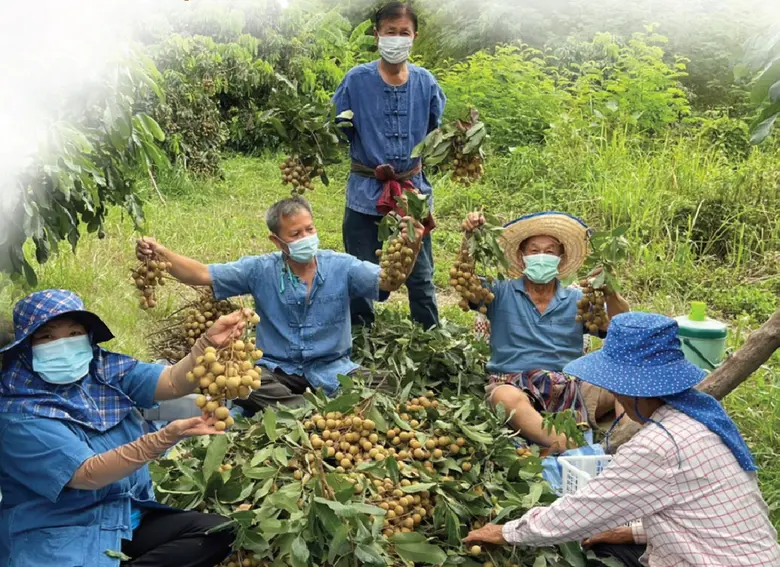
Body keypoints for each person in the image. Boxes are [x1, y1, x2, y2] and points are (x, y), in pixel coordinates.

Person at [463, 312, 780, 567]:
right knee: (603, 545)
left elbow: (579, 512)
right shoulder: (701, 419)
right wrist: (632, 532)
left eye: (615, 387)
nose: (614, 395)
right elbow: (703, 511)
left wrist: (505, 532)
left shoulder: (659, 445)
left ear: (634, 390)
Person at [0, 289, 243, 567]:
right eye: (46, 336)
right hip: (60, 534)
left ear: (88, 337)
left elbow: (173, 383)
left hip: (124, 517)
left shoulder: (103, 370)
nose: (63, 345)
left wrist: (206, 345)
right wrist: (161, 439)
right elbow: (88, 474)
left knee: (219, 532)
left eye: (74, 333)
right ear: (25, 347)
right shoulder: (17, 414)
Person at [136, 196, 425, 416]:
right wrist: (161, 254)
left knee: (389, 385)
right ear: (277, 241)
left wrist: (411, 247)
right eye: (295, 235)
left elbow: (388, 282)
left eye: (309, 230)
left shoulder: (342, 266)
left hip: (333, 369)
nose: (305, 239)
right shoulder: (261, 270)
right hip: (276, 371)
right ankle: (319, 410)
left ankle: (299, 411)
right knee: (239, 383)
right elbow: (202, 274)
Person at [461, 211, 630, 453]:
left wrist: (610, 291)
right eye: (534, 251)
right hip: (515, 383)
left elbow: (621, 324)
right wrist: (468, 240)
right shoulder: (499, 292)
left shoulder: (577, 299)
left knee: (625, 379)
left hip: (570, 384)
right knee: (503, 398)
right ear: (521, 259)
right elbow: (466, 285)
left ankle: (627, 440)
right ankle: (571, 444)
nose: (542, 257)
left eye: (550, 251)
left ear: (560, 260)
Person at [333, 1, 446, 330]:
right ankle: (360, 336)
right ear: (376, 34)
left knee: (421, 276)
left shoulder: (426, 83)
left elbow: (433, 130)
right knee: (359, 271)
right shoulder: (356, 81)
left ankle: (429, 337)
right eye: (390, 32)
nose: (397, 39)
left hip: (412, 195)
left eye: (404, 33)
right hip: (365, 193)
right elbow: (340, 128)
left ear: (415, 37)